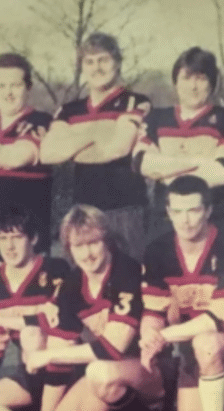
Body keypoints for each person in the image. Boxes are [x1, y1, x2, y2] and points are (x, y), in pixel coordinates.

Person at [21, 205, 156, 411]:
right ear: (69, 249)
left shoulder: (126, 271)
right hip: (105, 376)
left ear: (107, 240)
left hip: (149, 370)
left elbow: (113, 348)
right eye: (78, 246)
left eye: (93, 243)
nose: (88, 254)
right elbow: (60, 354)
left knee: (100, 371)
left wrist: (46, 355)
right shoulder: (72, 283)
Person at [139, 176, 224, 411]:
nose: (186, 220)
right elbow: (153, 313)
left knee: (207, 343)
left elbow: (219, 318)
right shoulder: (157, 251)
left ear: (208, 210)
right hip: (190, 346)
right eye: (177, 211)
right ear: (168, 212)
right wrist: (150, 338)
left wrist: (165, 336)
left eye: (193, 210)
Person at [39, 33, 151, 260]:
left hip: (125, 211)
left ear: (117, 62)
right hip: (83, 211)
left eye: (103, 60)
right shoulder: (69, 110)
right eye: (89, 62)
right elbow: (48, 153)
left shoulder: (135, 101)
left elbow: (117, 149)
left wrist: (73, 142)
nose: (96, 68)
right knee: (85, 287)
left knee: (129, 283)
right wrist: (97, 134)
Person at [0, 208, 70, 411]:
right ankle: (39, 408)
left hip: (64, 367)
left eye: (17, 237)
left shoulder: (55, 268)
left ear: (33, 238)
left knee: (31, 334)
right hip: (29, 371)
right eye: (3, 238)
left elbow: (53, 321)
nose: (9, 246)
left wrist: (0, 319)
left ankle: (56, 409)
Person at [135, 47, 224, 232]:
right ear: (175, 82)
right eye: (186, 78)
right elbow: (142, 163)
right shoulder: (155, 118)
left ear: (212, 83)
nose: (193, 87)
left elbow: (223, 172)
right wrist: (199, 162)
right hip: (166, 221)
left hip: (215, 220)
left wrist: (167, 170)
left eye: (201, 78)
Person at [0, 53, 54, 260]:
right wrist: (1, 154)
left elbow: (17, 158)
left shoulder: (43, 121)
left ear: (28, 87)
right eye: (2, 86)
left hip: (31, 240)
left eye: (15, 85)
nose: (9, 93)